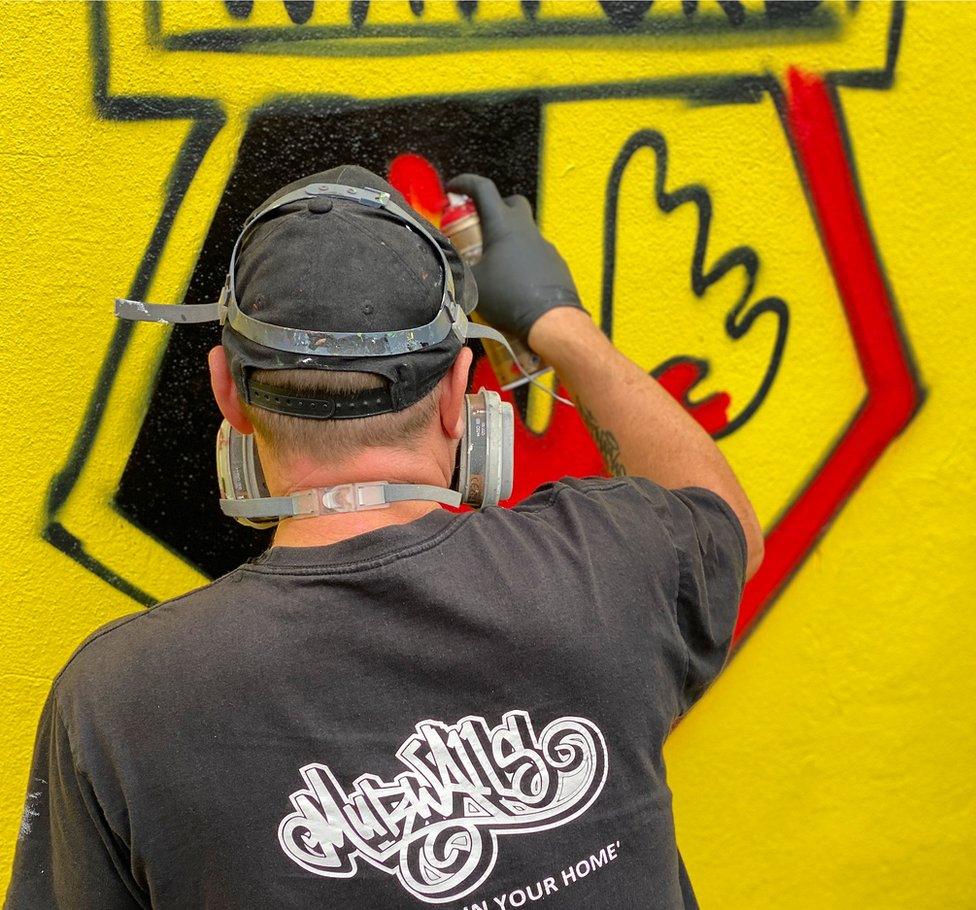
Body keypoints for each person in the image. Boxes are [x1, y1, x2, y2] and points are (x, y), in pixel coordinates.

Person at [6, 164, 763, 910]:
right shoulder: (610, 564)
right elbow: (722, 516)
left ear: (227, 392)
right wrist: (557, 323)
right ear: (461, 395)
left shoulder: (117, 702)